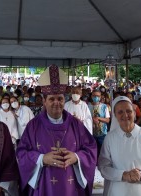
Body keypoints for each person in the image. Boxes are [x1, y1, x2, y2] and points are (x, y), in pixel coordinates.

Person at [16, 65, 97, 196]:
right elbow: (21, 154)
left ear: (64, 100)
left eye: (60, 98)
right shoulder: (33, 126)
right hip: (43, 186)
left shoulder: (76, 124)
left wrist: (76, 157)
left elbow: (91, 148)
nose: (56, 103)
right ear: (44, 101)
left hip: (71, 187)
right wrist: (41, 159)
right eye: (51, 99)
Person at [98, 96, 141, 196]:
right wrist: (123, 175)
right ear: (115, 115)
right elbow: (103, 168)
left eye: (129, 111)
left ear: (134, 113)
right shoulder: (109, 138)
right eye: (120, 112)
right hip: (117, 192)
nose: (125, 115)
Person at [88, 90, 110, 156]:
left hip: (102, 133)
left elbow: (107, 120)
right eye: (94, 95)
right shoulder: (88, 106)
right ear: (91, 96)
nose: (96, 97)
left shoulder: (104, 107)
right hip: (91, 133)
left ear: (100, 97)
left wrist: (98, 118)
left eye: (98, 96)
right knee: (93, 152)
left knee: (103, 152)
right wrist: (92, 119)